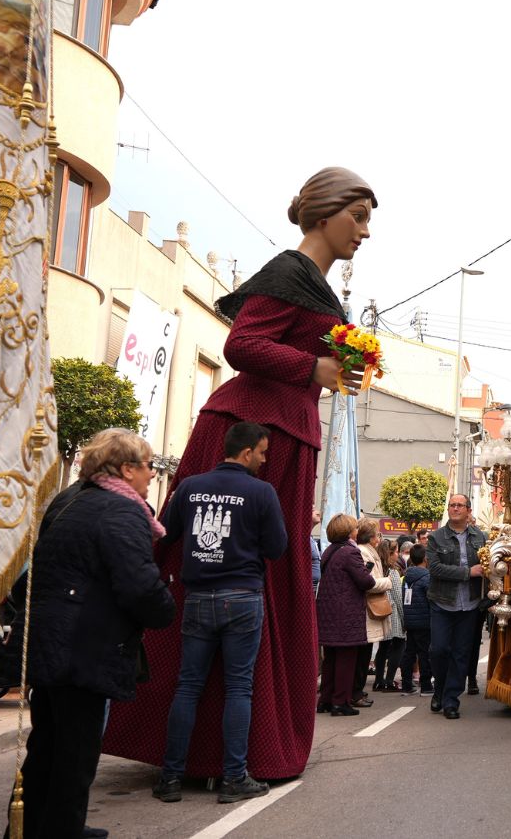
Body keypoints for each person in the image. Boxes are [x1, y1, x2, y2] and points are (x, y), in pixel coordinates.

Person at [104, 166, 378, 779]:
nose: (363, 231)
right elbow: (241, 345)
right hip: (257, 430)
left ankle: (224, 746)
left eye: (367, 220)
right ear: (324, 213)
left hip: (283, 430)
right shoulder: (288, 270)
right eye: (356, 216)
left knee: (268, 581)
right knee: (247, 578)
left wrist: (328, 367)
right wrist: (315, 370)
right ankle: (217, 749)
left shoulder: (309, 282)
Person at [13, 429, 174, 838]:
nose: (153, 474)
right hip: (86, 646)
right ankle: (61, 830)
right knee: (75, 754)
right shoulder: (121, 510)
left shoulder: (70, 499)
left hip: (53, 640)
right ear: (126, 469)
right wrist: (165, 606)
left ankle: (33, 827)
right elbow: (138, 584)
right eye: (149, 466)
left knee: (47, 747)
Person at [153, 422, 288, 805]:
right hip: (243, 597)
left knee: (188, 686)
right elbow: (277, 549)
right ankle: (233, 777)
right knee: (238, 687)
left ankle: (171, 777)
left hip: (197, 597)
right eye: (262, 453)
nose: (264, 460)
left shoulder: (191, 487)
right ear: (246, 453)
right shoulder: (262, 492)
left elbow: (168, 533)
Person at [316, 515, 392, 716]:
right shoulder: (350, 552)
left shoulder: (329, 551)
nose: (357, 531)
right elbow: (365, 582)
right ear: (349, 531)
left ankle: (325, 699)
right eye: (354, 528)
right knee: (347, 657)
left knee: (330, 657)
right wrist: (382, 580)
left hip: (328, 610)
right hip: (346, 612)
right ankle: (340, 702)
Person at [427, 494, 488, 719]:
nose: (454, 508)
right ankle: (439, 689)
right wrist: (467, 572)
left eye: (459, 505)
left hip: (470, 604)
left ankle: (451, 700)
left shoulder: (480, 537)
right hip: (442, 602)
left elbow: (488, 566)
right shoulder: (436, 537)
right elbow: (434, 569)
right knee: (439, 649)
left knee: (461, 654)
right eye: (452, 505)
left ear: (468, 510)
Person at [353, 518, 390, 706]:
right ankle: (356, 692)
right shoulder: (363, 552)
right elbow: (370, 582)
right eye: (377, 534)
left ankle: (358, 691)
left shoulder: (369, 551)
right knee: (362, 653)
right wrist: (388, 582)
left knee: (365, 652)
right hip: (367, 607)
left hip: (369, 607)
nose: (379, 538)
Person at [373, 537, 407, 691]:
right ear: (390, 553)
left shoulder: (378, 568)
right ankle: (389, 680)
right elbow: (399, 598)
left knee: (383, 647)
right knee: (398, 646)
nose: (398, 555)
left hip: (380, 611)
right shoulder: (392, 572)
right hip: (393, 614)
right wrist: (404, 619)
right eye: (396, 552)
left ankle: (378, 680)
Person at [400, 544, 433, 696]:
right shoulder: (427, 577)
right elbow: (431, 599)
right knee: (425, 653)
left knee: (409, 652)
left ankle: (407, 684)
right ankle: (426, 685)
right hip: (424, 620)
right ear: (425, 558)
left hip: (410, 620)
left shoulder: (407, 577)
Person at [309, 507, 322, 596]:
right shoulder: (302, 538)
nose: (318, 512)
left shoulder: (311, 539)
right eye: (313, 510)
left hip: (314, 589)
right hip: (307, 590)